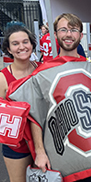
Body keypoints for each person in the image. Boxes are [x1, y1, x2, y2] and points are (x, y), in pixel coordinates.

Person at [13, 13, 91, 182]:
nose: (68, 34)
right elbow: (36, 116)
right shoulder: (43, 74)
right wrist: (40, 152)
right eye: (63, 29)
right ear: (55, 35)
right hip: (64, 161)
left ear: (81, 35)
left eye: (73, 30)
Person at [0, 25, 39, 182]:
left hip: (45, 142)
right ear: (8, 49)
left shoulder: (42, 70)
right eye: (15, 44)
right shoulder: (3, 78)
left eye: (25, 42)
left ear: (32, 44)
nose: (22, 47)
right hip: (17, 146)